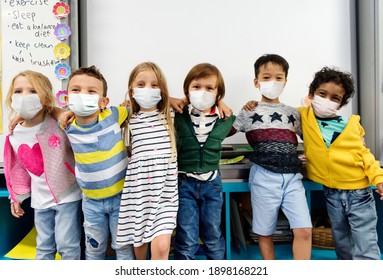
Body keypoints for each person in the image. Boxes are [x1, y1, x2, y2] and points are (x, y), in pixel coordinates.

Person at [232, 54, 312, 260]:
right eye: (266, 77)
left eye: (278, 77)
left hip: (293, 177)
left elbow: (314, 137)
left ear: (285, 81)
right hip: (263, 175)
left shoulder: (293, 113)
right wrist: (223, 107)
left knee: (304, 230)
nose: (272, 82)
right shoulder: (248, 111)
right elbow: (223, 132)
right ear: (256, 82)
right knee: (264, 230)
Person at [298, 66, 383, 259]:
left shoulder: (350, 125)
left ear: (341, 104)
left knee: (365, 246)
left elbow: (365, 155)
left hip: (359, 193)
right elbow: (279, 113)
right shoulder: (303, 116)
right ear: (311, 94)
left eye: (335, 98)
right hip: (331, 193)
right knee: (342, 245)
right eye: (322, 94)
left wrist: (379, 178)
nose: (327, 100)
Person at [3, 70, 82, 260]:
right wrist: (16, 197)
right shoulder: (15, 133)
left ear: (45, 96)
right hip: (40, 201)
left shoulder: (59, 123)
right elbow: (18, 168)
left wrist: (58, 111)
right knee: (44, 246)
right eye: (19, 91)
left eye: (32, 91)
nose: (24, 97)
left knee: (67, 245)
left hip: (67, 195)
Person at [59, 65, 134, 260]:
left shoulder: (113, 115)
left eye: (91, 91)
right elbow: (47, 110)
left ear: (103, 101)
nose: (83, 95)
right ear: (67, 99)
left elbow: (133, 104)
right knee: (94, 249)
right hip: (91, 202)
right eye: (76, 90)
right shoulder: (66, 124)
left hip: (121, 198)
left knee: (124, 248)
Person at [172, 62, 235, 260]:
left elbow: (242, 121)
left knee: (213, 234)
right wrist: (178, 100)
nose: (202, 92)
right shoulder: (178, 114)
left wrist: (221, 103)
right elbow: (157, 102)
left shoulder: (225, 118)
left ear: (218, 93)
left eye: (209, 88)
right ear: (187, 91)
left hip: (212, 184)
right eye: (196, 87)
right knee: (186, 236)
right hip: (184, 184)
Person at [116, 62, 178, 260]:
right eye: (141, 84)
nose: (148, 90)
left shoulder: (171, 114)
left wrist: (220, 103)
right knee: (139, 245)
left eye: (154, 85)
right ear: (131, 90)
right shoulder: (128, 116)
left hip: (165, 193)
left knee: (161, 246)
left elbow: (200, 105)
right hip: (139, 192)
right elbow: (92, 117)